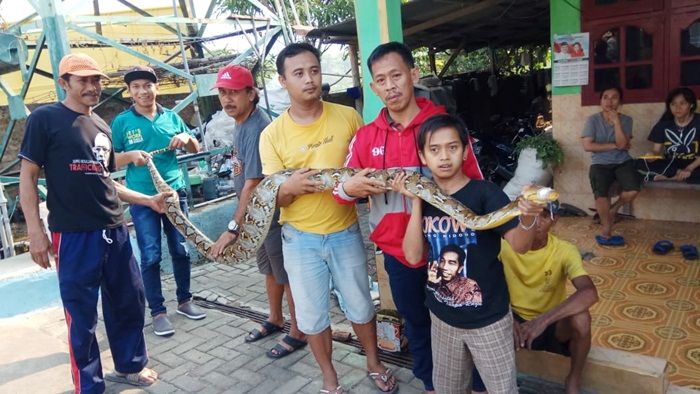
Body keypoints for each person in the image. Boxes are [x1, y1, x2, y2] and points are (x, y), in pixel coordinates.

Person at [334, 41, 482, 394]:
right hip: (398, 254)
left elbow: (475, 184)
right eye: (381, 80)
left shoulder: (443, 128)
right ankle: (431, 385)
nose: (390, 86)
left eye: (397, 75)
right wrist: (350, 187)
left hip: (446, 248)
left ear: (413, 75)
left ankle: (477, 385)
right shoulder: (365, 138)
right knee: (416, 322)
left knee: (462, 319)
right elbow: (338, 193)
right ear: (372, 87)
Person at [18, 53, 165, 392]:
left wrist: (148, 201)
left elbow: (105, 180)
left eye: (96, 80)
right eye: (82, 80)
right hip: (73, 233)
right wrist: (35, 233)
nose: (92, 86)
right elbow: (27, 177)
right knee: (82, 315)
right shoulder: (45, 119)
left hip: (114, 228)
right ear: (64, 83)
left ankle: (129, 365)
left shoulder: (101, 125)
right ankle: (89, 385)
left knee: (129, 300)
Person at [259, 42, 397, 394]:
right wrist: (289, 187)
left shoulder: (347, 116)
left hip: (345, 231)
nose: (309, 79)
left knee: (361, 305)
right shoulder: (271, 134)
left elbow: (364, 169)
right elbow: (274, 195)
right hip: (299, 238)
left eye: (314, 70)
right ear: (283, 80)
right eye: (299, 73)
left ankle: (373, 362)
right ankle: (329, 378)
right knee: (311, 316)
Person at [395, 114, 544, 394]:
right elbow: (413, 257)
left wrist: (528, 218)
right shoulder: (426, 199)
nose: (444, 156)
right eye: (434, 149)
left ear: (465, 151)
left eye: (452, 147)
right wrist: (416, 200)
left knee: (502, 390)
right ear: (423, 156)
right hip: (442, 317)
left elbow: (521, 245)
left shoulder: (486, 194)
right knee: (448, 389)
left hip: (488, 320)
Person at [209, 64, 306, 358]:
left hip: (270, 215)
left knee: (284, 272)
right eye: (223, 93)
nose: (227, 99)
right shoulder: (241, 122)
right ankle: (275, 318)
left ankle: (298, 330)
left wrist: (232, 228)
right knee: (268, 269)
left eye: (234, 92)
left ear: (251, 94)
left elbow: (252, 183)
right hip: (256, 217)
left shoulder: (257, 127)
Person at [111, 65, 206, 337]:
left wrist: (186, 137)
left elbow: (195, 148)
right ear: (129, 92)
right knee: (151, 255)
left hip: (175, 193)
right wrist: (131, 156)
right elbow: (110, 159)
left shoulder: (171, 118)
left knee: (181, 250)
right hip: (143, 199)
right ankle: (158, 312)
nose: (143, 91)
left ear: (156, 88)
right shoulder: (121, 122)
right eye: (136, 87)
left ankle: (185, 301)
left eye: (147, 85)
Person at [470, 201, 598, 394]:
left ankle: (574, 378)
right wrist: (506, 315)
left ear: (555, 220)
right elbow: (482, 283)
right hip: (513, 321)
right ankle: (491, 382)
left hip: (551, 325)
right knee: (480, 316)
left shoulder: (564, 250)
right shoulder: (504, 247)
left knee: (582, 318)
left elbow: (589, 292)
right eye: (530, 214)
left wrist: (542, 321)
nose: (536, 222)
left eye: (544, 215)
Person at [581, 86, 641, 247]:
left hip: (622, 161)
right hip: (600, 163)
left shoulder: (627, 120)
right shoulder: (592, 120)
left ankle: (614, 209)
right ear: (600, 101)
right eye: (605, 97)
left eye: (614, 97)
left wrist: (616, 122)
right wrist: (614, 145)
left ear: (620, 101)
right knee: (601, 195)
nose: (609, 101)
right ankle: (607, 227)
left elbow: (623, 145)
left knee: (633, 189)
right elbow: (587, 146)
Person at [637, 87, 700, 184]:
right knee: (638, 163)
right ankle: (678, 174)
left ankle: (669, 177)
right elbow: (656, 150)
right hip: (671, 163)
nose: (677, 108)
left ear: (691, 105)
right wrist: (652, 156)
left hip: (695, 163)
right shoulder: (664, 124)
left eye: (682, 103)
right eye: (673, 104)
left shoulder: (698, 122)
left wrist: (689, 169)